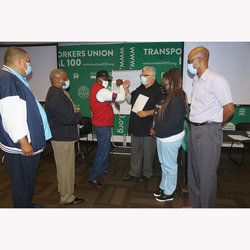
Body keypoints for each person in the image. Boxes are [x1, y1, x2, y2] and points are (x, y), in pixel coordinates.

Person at [0, 46, 51, 208]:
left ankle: (26, 205)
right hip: (20, 146)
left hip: (23, 143)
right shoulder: (8, 79)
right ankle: (23, 208)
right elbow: (11, 114)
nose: (29, 65)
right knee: (22, 182)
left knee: (26, 180)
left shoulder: (13, 78)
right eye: (28, 62)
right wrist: (23, 141)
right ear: (19, 61)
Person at [187, 46, 235, 208]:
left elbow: (229, 109)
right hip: (194, 129)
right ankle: (195, 205)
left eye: (190, 61)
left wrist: (212, 124)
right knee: (193, 171)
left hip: (208, 131)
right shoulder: (196, 81)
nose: (188, 64)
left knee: (206, 175)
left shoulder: (216, 79)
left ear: (200, 61)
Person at [45, 69, 84, 205]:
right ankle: (67, 197)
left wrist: (74, 114)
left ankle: (63, 188)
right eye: (65, 78)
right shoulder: (56, 96)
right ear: (58, 81)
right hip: (62, 138)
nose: (67, 81)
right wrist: (78, 114)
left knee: (64, 167)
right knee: (66, 168)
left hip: (62, 136)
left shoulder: (57, 92)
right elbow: (69, 118)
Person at [150, 68, 187, 202]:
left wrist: (158, 131)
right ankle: (163, 186)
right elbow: (158, 115)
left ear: (172, 84)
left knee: (170, 165)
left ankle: (170, 191)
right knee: (163, 163)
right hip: (162, 136)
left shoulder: (178, 98)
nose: (162, 86)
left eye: (164, 84)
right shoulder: (167, 96)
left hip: (170, 137)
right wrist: (153, 128)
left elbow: (172, 123)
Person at [88, 70, 128, 188]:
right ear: (100, 80)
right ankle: (93, 177)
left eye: (108, 80)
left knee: (104, 148)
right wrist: (122, 86)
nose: (107, 82)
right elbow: (120, 98)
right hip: (102, 125)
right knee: (102, 151)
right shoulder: (101, 91)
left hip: (101, 124)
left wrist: (118, 87)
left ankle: (104, 169)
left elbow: (110, 94)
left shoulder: (98, 89)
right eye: (106, 80)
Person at [123, 66, 162, 182]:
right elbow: (130, 100)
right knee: (135, 150)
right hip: (136, 124)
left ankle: (147, 173)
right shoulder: (140, 88)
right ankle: (134, 172)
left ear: (152, 77)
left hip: (149, 125)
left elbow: (161, 109)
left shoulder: (158, 90)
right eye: (142, 75)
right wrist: (126, 89)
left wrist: (148, 113)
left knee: (148, 151)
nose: (142, 78)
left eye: (145, 75)